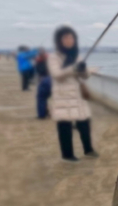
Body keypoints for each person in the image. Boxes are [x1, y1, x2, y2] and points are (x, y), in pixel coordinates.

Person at [48, 25, 98, 162]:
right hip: (62, 96)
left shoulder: (77, 56)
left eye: (71, 38)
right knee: (64, 126)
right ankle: (67, 155)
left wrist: (84, 70)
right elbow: (57, 74)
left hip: (77, 96)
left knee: (84, 122)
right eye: (66, 38)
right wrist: (74, 68)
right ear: (59, 40)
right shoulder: (54, 57)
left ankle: (88, 149)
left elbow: (84, 76)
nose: (69, 40)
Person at [35, 50, 51, 119]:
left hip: (43, 80)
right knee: (45, 98)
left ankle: (42, 115)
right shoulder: (51, 61)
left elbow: (38, 71)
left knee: (41, 98)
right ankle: (46, 112)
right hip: (52, 80)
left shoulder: (38, 62)